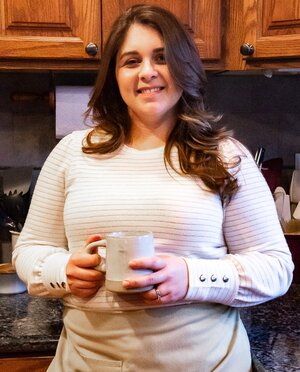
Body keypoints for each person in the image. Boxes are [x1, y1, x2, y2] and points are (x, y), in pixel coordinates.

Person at [13, 4, 294, 371]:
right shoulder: (71, 153)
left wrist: (191, 277)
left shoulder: (225, 156)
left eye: (161, 58)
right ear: (114, 75)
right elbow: (30, 249)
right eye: (131, 61)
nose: (147, 72)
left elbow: (276, 267)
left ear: (183, 67)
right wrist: (62, 269)